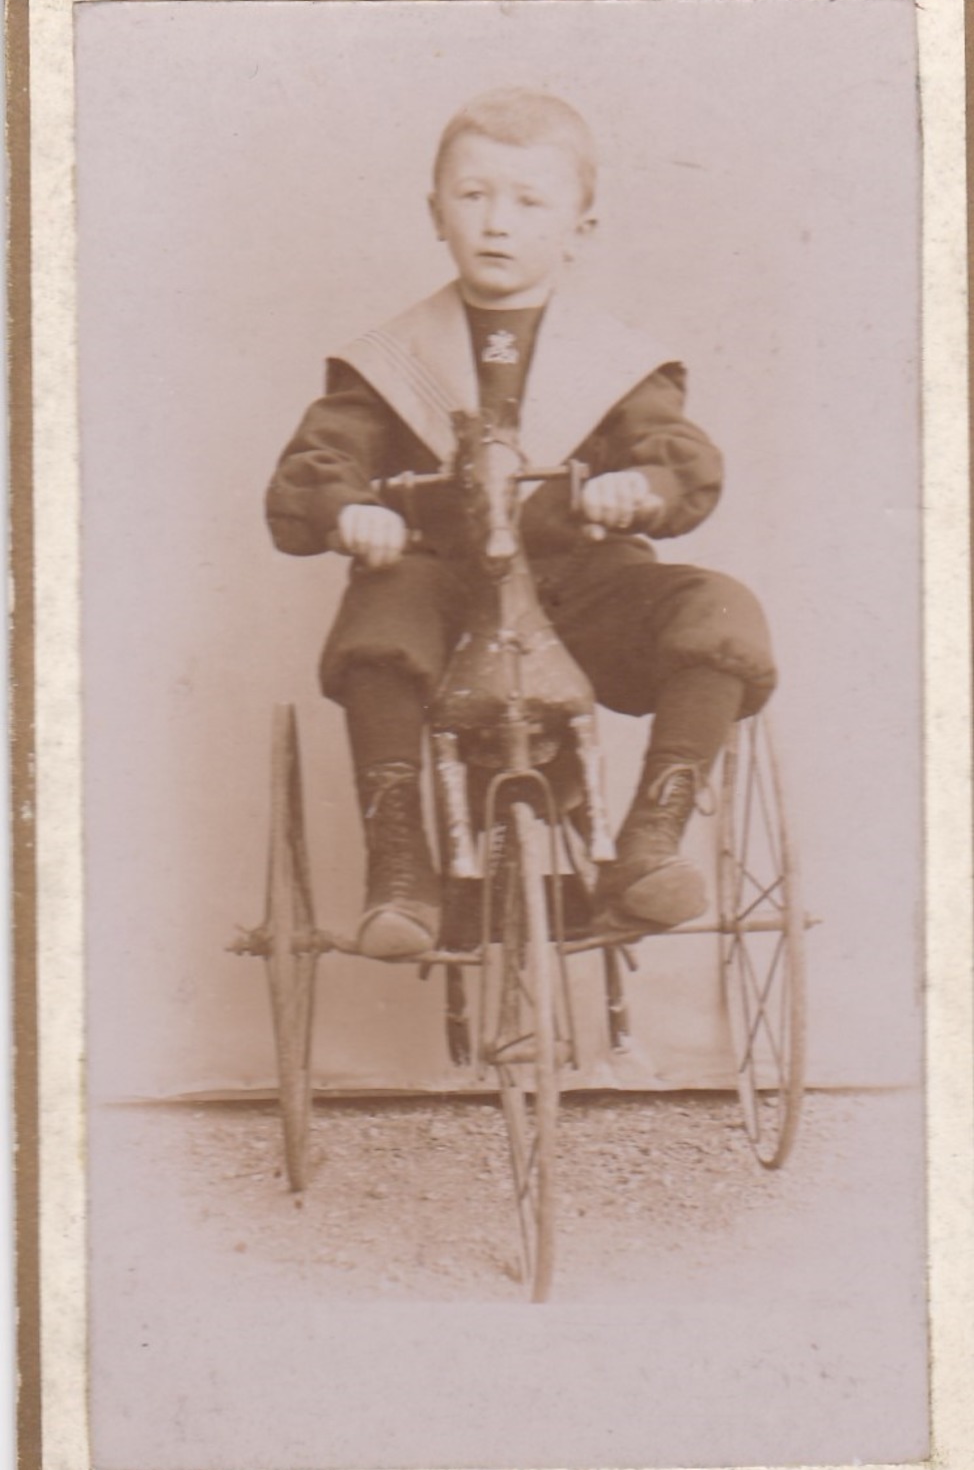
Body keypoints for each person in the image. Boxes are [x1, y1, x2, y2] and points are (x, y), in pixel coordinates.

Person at [266, 88, 776, 960]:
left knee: (719, 608)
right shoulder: (392, 359)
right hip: (446, 593)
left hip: (584, 596)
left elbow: (676, 454)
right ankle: (401, 869)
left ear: (579, 228)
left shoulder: (614, 359)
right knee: (380, 620)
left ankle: (650, 839)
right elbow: (320, 460)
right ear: (436, 213)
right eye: (473, 197)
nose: (497, 223)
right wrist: (349, 511)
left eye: (528, 202)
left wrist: (640, 488)